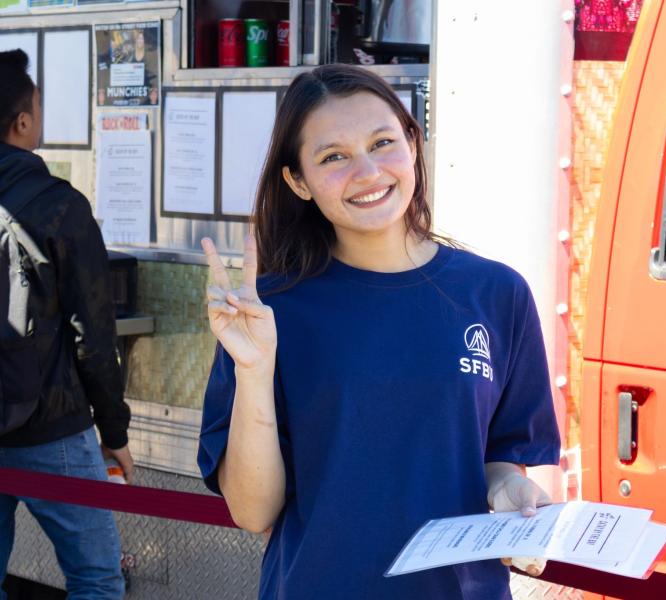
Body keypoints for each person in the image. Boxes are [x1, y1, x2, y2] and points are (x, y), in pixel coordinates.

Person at [198, 64, 561, 599]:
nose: (367, 171)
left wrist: (509, 489)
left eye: (383, 142)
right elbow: (253, 512)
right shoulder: (268, 312)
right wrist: (253, 371)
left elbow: (498, 458)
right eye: (333, 157)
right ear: (297, 181)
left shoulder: (496, 293)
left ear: (413, 144)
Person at [0, 49, 132, 599]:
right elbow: (94, 337)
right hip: (52, 427)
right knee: (97, 578)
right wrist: (114, 431)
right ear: (24, 121)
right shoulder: (59, 206)